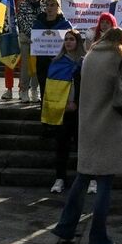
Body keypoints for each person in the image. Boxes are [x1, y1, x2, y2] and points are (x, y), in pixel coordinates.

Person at [52, 19, 122, 244]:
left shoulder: (90, 55)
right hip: (109, 126)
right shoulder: (120, 56)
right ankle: (98, 241)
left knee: (82, 177)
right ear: (121, 42)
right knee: (104, 182)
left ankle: (65, 227)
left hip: (88, 124)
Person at [42, 29, 84, 193]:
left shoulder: (85, 62)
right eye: (66, 39)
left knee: (83, 146)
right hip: (63, 111)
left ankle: (88, 178)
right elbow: (51, 90)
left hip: (81, 111)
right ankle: (60, 178)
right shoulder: (56, 62)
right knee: (61, 146)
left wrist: (78, 103)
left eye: (72, 39)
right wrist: (65, 104)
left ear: (78, 42)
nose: (68, 42)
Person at [8, 0, 43, 101]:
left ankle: (34, 90)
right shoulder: (23, 5)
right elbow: (21, 21)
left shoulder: (44, 5)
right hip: (26, 40)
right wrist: (31, 34)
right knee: (25, 67)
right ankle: (23, 90)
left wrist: (39, 35)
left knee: (37, 67)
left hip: (40, 41)